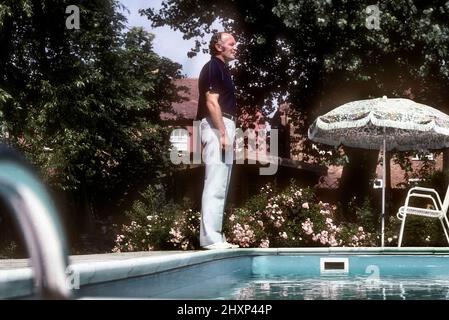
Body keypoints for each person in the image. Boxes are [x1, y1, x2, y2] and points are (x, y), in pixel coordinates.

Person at [196, 32, 239, 249]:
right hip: (216, 125)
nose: (235, 46)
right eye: (231, 43)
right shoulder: (212, 66)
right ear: (218, 46)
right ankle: (210, 238)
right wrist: (223, 133)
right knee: (215, 180)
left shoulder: (223, 69)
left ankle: (216, 236)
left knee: (221, 182)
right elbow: (211, 102)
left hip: (223, 124)